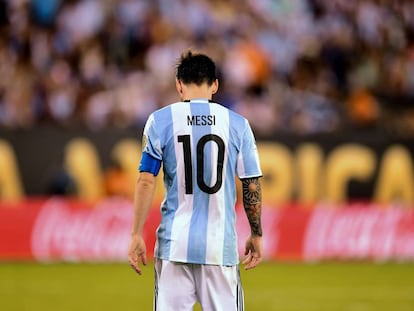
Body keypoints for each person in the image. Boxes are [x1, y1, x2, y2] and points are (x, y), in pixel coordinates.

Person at [128, 50, 263, 311]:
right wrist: (256, 232)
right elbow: (251, 184)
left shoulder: (160, 121)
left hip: (174, 246)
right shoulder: (237, 124)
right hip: (218, 247)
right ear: (214, 85)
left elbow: (146, 180)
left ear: (179, 85)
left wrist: (136, 233)